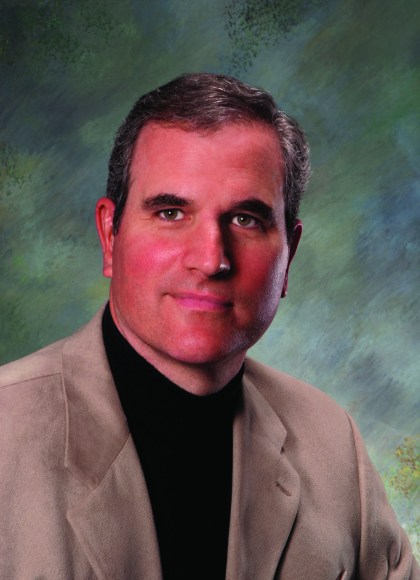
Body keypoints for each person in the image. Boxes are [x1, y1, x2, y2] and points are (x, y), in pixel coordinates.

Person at [0, 73, 418, 580]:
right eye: (171, 212)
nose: (211, 259)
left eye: (245, 219)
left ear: (289, 256)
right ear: (110, 235)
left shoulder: (334, 448)